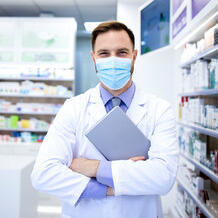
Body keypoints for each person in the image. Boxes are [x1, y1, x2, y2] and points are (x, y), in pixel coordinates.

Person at [31, 21, 178, 218]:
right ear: (94, 58)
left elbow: (163, 177)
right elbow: (44, 174)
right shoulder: (73, 109)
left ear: (134, 56)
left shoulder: (159, 110)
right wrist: (109, 190)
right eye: (104, 54)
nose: (113, 60)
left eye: (122, 52)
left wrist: (93, 167)